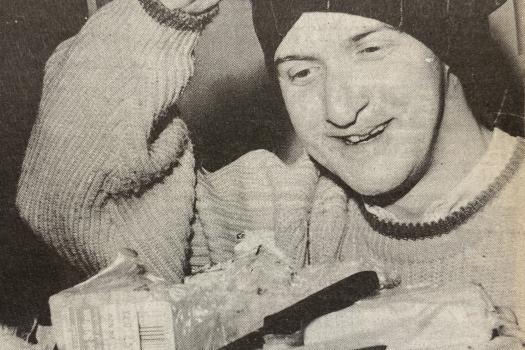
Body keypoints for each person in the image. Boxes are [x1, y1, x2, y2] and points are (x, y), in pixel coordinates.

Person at [14, 0, 525, 347]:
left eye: (371, 48)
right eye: (301, 72)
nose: (341, 108)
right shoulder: (282, 216)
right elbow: (71, 195)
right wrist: (166, 9)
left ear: (446, 51)